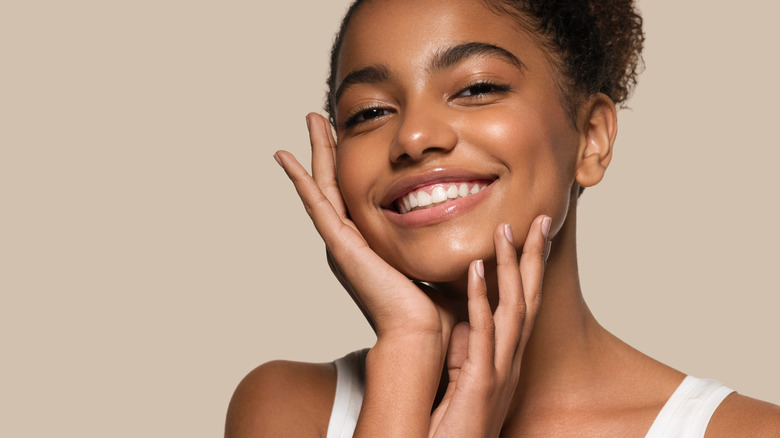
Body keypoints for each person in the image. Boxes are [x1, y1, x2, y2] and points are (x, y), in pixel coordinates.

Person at [226, 0, 780, 436]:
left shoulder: (745, 432)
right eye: (369, 113)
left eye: (476, 88)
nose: (414, 137)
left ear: (591, 139)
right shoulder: (288, 409)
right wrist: (407, 349)